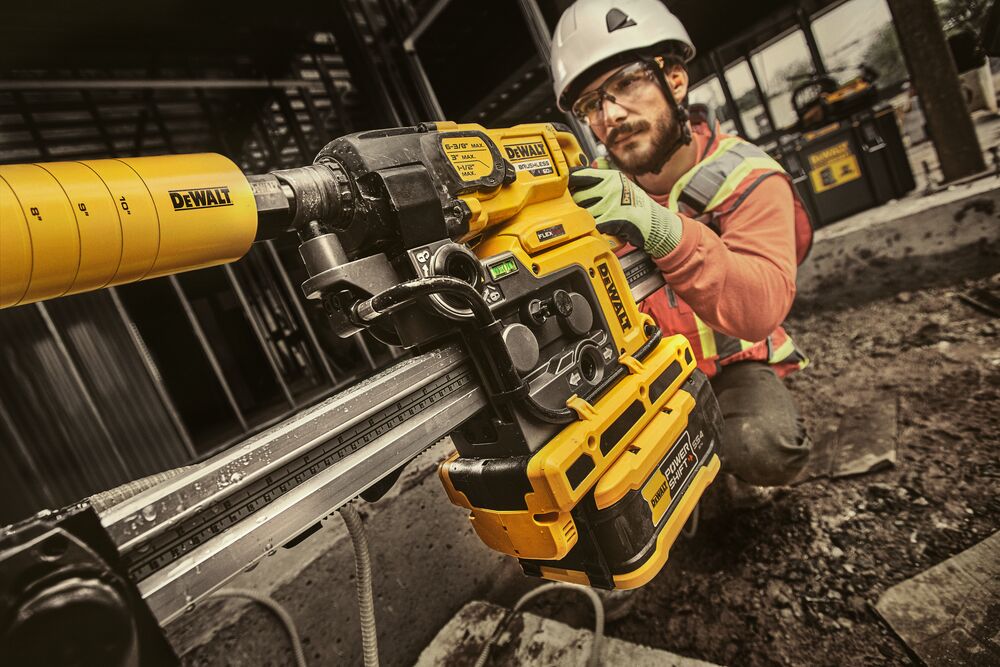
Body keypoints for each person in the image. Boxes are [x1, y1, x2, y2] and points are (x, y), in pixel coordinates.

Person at [550, 0, 815, 503]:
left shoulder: (746, 174)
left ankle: (721, 469)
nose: (610, 115)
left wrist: (656, 225)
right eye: (590, 105)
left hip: (732, 364)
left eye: (626, 83)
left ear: (673, 79)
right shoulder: (586, 196)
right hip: (645, 375)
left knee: (761, 446)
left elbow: (760, 308)